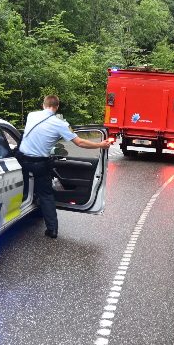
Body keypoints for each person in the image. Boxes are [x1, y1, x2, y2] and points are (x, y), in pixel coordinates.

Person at [18, 95, 111, 239]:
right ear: (57, 107)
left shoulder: (31, 115)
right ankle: (52, 230)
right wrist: (101, 144)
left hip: (22, 161)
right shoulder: (60, 124)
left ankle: (19, 208)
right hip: (39, 164)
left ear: (44, 104)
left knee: (20, 185)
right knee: (46, 195)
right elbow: (79, 143)